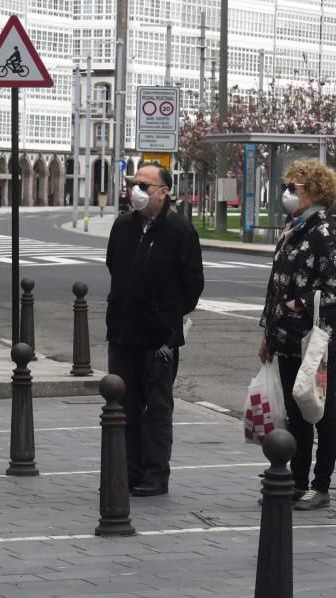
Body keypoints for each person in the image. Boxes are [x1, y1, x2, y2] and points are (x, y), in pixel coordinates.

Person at [105, 163, 205, 497]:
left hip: (158, 340)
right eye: (134, 184)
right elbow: (113, 266)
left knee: (156, 409)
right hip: (122, 334)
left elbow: (192, 286)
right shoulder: (122, 227)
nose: (137, 190)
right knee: (124, 408)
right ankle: (130, 471)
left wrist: (167, 318)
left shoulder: (179, 231)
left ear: (164, 192)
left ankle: (155, 474)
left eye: (145, 186)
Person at [259, 158, 336, 511]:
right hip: (286, 336)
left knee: (321, 412)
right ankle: (295, 481)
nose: (287, 193)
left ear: (313, 191)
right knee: (295, 414)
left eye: (293, 187)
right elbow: (273, 286)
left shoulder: (324, 232)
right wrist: (268, 331)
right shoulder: (292, 228)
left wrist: (300, 303)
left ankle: (320, 485)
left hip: (317, 341)